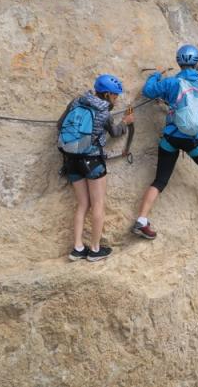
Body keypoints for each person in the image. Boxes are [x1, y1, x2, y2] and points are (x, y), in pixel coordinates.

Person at [130, 44, 198, 239]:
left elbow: (148, 90)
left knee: (160, 180)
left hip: (170, 138)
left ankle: (141, 220)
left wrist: (156, 75)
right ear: (197, 63)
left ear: (178, 62)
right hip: (193, 141)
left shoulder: (171, 83)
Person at [58, 74, 134, 262]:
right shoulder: (104, 112)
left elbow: (60, 125)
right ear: (107, 94)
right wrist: (126, 122)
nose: (116, 99)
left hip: (71, 159)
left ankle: (77, 248)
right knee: (98, 204)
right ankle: (94, 249)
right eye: (115, 95)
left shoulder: (77, 101)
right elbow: (115, 133)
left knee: (83, 204)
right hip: (92, 161)